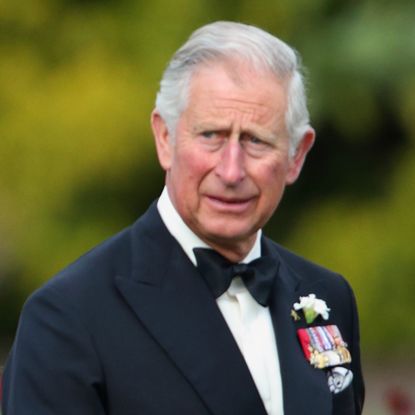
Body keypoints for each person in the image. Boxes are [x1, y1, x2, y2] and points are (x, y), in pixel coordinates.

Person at [1, 21, 364, 414]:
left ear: (296, 155)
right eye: (211, 135)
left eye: (256, 141)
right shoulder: (68, 318)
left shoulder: (329, 297)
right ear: (165, 138)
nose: (231, 171)